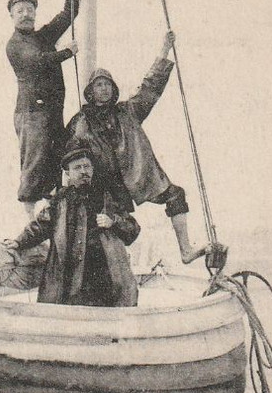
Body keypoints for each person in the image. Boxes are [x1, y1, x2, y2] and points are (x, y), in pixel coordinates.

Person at [65, 30, 205, 264]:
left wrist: (164, 50)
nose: (104, 89)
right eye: (98, 85)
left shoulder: (128, 111)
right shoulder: (81, 121)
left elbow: (150, 88)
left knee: (176, 195)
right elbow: (69, 153)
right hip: (105, 186)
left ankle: (186, 251)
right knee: (112, 226)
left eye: (107, 84)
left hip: (135, 177)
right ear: (90, 91)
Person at [3, 145, 140, 307]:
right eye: (77, 168)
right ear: (68, 174)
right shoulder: (59, 201)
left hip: (104, 276)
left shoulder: (107, 198)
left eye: (87, 166)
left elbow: (133, 228)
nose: (84, 171)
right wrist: (19, 242)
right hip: (69, 276)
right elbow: (41, 227)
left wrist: (113, 222)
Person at [6, 0, 79, 217]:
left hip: (51, 111)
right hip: (31, 113)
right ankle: (28, 221)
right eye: (20, 11)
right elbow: (37, 60)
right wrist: (67, 52)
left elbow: (69, 12)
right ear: (12, 16)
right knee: (34, 163)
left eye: (29, 9)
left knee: (54, 162)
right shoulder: (15, 45)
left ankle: (50, 223)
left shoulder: (43, 36)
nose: (26, 14)